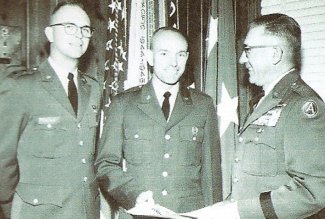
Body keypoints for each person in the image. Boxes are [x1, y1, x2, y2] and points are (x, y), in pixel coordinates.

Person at [184, 13, 325, 219]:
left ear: (275, 54)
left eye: (248, 50)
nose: (242, 59)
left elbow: (314, 191)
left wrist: (236, 212)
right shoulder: (264, 102)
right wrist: (214, 211)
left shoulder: (301, 105)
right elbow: (251, 184)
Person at [95, 27, 222, 219]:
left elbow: (211, 175)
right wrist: (132, 195)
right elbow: (105, 164)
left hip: (189, 214)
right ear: (149, 57)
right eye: (164, 53)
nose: (173, 63)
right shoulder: (124, 104)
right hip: (138, 214)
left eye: (180, 54)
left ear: (187, 58)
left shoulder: (203, 105)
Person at [0, 1, 102, 218]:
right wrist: (14, 207)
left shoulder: (93, 88)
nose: (79, 35)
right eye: (69, 27)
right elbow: (3, 159)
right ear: (50, 33)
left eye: (85, 29)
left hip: (86, 210)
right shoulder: (22, 86)